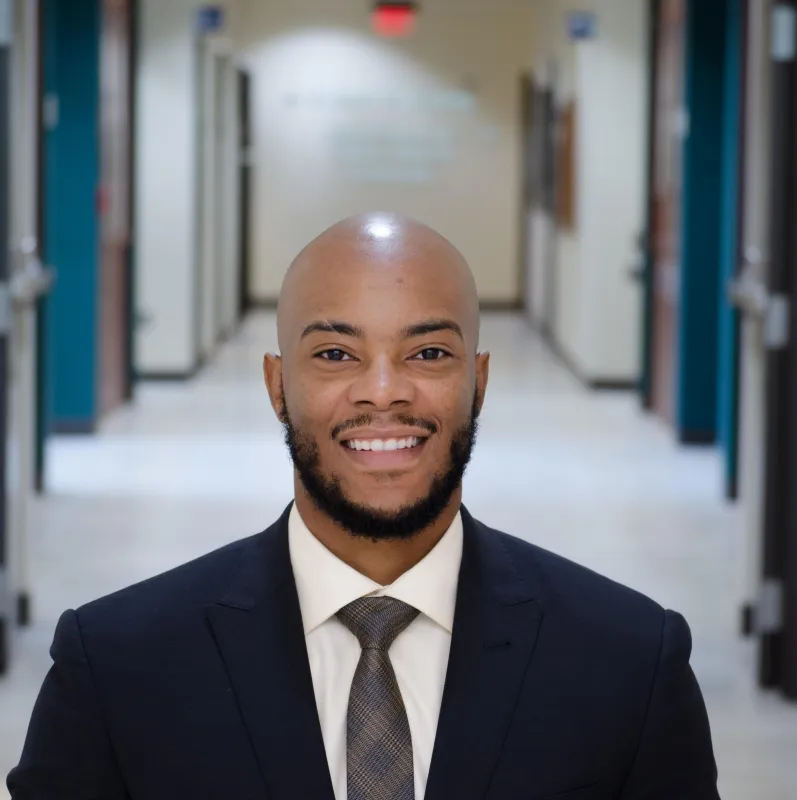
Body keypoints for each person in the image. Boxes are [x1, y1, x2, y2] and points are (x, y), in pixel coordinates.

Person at [7, 213, 720, 799]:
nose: (383, 393)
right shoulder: (116, 666)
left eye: (429, 354)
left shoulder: (629, 664)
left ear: (480, 382)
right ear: (276, 384)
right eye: (337, 356)